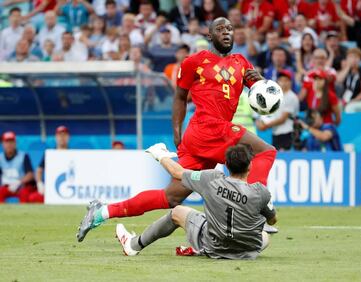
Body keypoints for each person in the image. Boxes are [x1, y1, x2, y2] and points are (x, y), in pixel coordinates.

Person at [77, 17, 277, 242]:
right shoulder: (194, 62)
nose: (226, 32)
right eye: (220, 29)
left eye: (230, 28)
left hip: (209, 135)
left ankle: (102, 212)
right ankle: (259, 207)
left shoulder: (241, 62)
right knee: (265, 152)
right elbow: (180, 97)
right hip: (208, 128)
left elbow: (262, 92)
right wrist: (176, 131)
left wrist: (260, 80)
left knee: (171, 197)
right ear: (209, 36)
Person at [115, 143, 276, 259]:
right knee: (265, 236)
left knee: (177, 212)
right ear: (250, 166)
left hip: (214, 246)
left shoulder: (211, 179)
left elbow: (177, 172)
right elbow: (272, 220)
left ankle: (133, 245)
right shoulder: (260, 192)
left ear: (226, 164)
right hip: (247, 251)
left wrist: (160, 155)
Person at [256, 70, 299, 151]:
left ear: (290, 82)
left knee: (285, 156)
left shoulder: (291, 97)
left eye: (286, 80)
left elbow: (283, 119)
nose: (283, 82)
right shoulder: (276, 96)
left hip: (287, 133)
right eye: (281, 80)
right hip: (276, 132)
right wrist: (260, 121)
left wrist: (265, 126)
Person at [0, 131, 42, 203]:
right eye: (7, 142)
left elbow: (30, 174)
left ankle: (24, 213)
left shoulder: (23, 156)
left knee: (24, 194)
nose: (9, 144)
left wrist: (19, 182)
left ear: (15, 143)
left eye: (11, 142)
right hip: (7, 186)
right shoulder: (0, 158)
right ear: (2, 144)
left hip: (22, 186)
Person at [337, 48, 361, 112]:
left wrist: (351, 101)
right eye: (350, 57)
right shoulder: (347, 71)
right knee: (337, 106)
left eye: (356, 57)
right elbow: (338, 80)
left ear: (360, 59)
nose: (353, 59)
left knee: (349, 108)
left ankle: (350, 122)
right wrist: (347, 67)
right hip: (347, 100)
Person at [36, 126, 70, 196]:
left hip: (69, 187)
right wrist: (40, 183)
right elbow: (39, 170)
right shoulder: (49, 154)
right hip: (50, 188)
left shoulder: (74, 154)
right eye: (60, 135)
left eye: (64, 135)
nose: (62, 138)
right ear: (56, 137)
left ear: (68, 137)